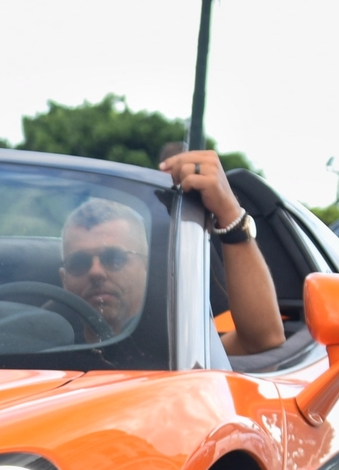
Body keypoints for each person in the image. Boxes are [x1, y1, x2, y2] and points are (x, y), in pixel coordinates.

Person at [100, 149, 282, 353]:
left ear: (147, 268)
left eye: (114, 259)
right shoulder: (55, 345)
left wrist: (229, 213)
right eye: (78, 264)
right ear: (62, 277)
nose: (96, 272)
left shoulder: (180, 351)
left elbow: (262, 342)